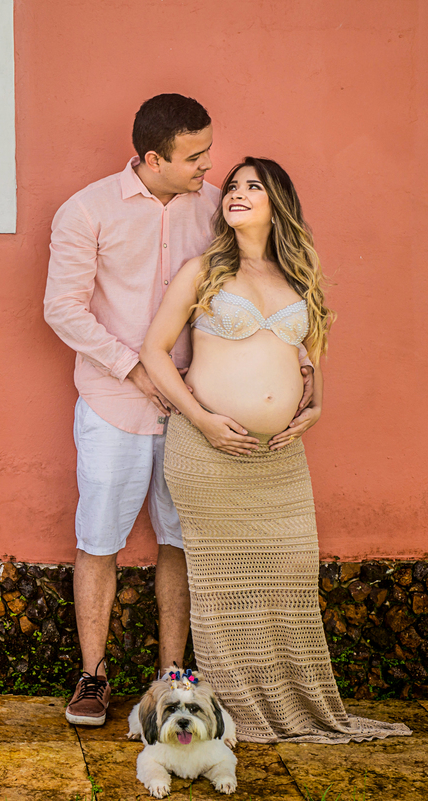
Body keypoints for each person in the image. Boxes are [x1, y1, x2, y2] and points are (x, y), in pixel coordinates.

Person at [139, 157, 410, 743]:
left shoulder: (298, 279)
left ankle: (286, 703)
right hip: (210, 450)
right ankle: (232, 712)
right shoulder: (204, 269)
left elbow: (308, 355)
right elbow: (154, 352)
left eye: (251, 186)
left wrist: (317, 405)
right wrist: (204, 420)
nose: (236, 193)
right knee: (221, 588)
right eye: (231, 186)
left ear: (277, 201)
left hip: (279, 457)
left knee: (287, 579)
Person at [44, 94, 219, 726]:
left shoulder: (218, 207)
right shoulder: (87, 210)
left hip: (195, 408)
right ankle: (92, 677)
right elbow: (62, 308)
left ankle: (175, 679)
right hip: (114, 404)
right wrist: (132, 367)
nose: (207, 165)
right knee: (98, 539)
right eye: (195, 156)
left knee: (180, 541)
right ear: (153, 158)